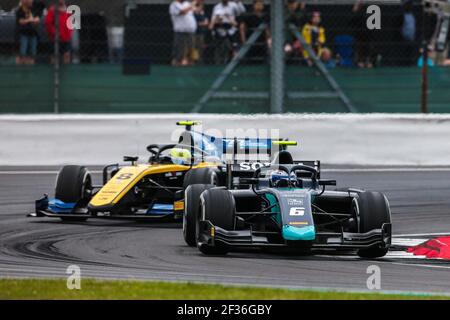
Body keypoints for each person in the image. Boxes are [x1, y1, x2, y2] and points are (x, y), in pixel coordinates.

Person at [169, 0, 198, 66]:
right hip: (180, 31)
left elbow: (196, 10)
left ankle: (189, 61)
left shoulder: (186, 3)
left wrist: (198, 3)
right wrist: (192, 5)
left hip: (190, 30)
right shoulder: (174, 5)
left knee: (191, 47)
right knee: (179, 48)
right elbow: (182, 12)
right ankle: (177, 61)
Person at [45, 0, 73, 64]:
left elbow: (71, 24)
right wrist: (55, 33)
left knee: (66, 55)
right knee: (54, 56)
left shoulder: (69, 11)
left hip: (66, 39)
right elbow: (48, 24)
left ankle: (66, 71)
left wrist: (67, 35)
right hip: (54, 39)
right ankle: (54, 72)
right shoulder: (52, 10)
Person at [351, 0, 376, 68]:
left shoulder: (371, 9)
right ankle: (360, 61)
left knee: (369, 48)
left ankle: (368, 61)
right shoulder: (357, 11)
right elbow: (352, 21)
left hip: (368, 35)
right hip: (359, 35)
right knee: (360, 49)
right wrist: (355, 8)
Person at [16, 0, 40, 65]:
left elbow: (37, 20)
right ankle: (21, 66)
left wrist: (29, 20)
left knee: (33, 52)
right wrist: (30, 20)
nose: (31, 2)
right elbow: (21, 21)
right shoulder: (20, 10)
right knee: (23, 52)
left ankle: (31, 66)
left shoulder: (34, 9)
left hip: (33, 34)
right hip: (23, 34)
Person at [396, 0, 417, 66]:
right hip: (403, 41)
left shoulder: (412, 16)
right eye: (408, 5)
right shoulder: (402, 16)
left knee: (409, 58)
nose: (410, 6)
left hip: (411, 41)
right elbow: (398, 28)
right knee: (403, 59)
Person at [193, 0, 209, 64]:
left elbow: (206, 22)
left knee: (200, 47)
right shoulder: (193, 13)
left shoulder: (203, 13)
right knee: (194, 47)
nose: (201, 7)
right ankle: (195, 60)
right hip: (195, 33)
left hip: (201, 33)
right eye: (200, 5)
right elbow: (197, 23)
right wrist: (202, 23)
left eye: (202, 5)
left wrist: (203, 23)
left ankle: (199, 60)